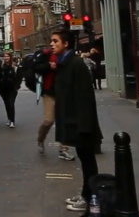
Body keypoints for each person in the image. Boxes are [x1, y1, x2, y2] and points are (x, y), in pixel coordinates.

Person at [52, 31, 103, 213]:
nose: (52, 44)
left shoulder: (76, 64)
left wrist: (85, 126)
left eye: (55, 41)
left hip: (82, 124)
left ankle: (90, 198)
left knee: (88, 161)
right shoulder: (65, 64)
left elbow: (84, 97)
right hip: (75, 121)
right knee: (85, 160)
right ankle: (85, 194)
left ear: (66, 44)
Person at [33, 45, 75, 161]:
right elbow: (36, 67)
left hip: (64, 93)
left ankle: (64, 149)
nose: (53, 44)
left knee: (64, 121)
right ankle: (40, 139)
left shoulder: (69, 57)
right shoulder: (47, 54)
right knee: (49, 120)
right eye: (52, 41)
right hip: (49, 92)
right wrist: (48, 66)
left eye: (56, 41)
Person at [0, 52, 19, 128]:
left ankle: (12, 121)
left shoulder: (14, 66)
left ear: (10, 57)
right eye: (5, 56)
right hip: (3, 89)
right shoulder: (1, 66)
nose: (6, 57)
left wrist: (17, 86)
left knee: (11, 104)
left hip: (12, 89)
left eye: (7, 56)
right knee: (7, 105)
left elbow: (18, 76)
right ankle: (9, 119)